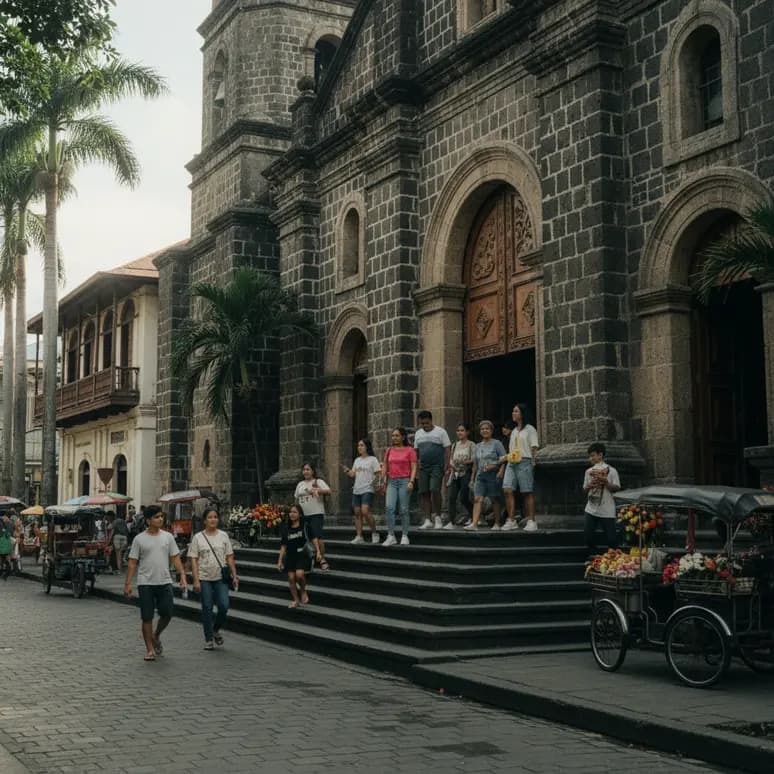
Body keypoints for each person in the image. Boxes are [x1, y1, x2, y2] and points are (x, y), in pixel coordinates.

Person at [124, 505, 188, 662]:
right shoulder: (139, 539)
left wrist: (182, 575)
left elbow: (175, 557)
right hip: (145, 583)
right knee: (147, 617)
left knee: (167, 613)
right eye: (156, 517)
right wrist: (128, 584)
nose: (160, 519)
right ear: (148, 520)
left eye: (161, 516)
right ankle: (149, 649)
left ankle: (156, 635)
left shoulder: (168, 537)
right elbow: (132, 562)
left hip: (164, 581)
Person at [189, 508, 239, 650]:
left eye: (215, 517)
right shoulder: (198, 537)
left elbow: (229, 557)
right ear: (205, 521)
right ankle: (209, 639)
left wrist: (234, 575)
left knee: (224, 606)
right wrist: (196, 580)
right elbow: (193, 559)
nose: (213, 519)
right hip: (204, 577)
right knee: (207, 607)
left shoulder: (223, 536)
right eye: (210, 517)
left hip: (220, 577)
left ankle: (215, 629)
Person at [500, 403, 540, 531]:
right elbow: (512, 450)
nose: (513, 413)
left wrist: (532, 463)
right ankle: (511, 520)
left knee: (526, 491)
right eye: (513, 411)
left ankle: (532, 521)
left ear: (522, 414)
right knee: (507, 489)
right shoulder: (513, 432)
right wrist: (505, 458)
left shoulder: (530, 429)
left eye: (516, 411)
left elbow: (534, 447)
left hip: (525, 461)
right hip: (512, 462)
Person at [414, 410, 452, 530]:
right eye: (422, 423)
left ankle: (438, 518)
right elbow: (416, 452)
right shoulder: (418, 434)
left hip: (437, 466)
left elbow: (447, 449)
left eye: (426, 423)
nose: (424, 426)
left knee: (435, 489)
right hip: (423, 467)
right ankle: (427, 520)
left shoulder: (441, 432)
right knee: (424, 492)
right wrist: (416, 468)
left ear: (431, 421)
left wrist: (447, 465)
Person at [465, 420, 506, 530]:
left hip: (493, 475)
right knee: (477, 498)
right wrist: (472, 478)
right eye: (482, 429)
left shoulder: (497, 443)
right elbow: (475, 463)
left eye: (487, 429)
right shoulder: (478, 446)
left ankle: (497, 523)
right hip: (480, 476)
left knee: (494, 499)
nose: (485, 431)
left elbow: (504, 459)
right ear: (480, 431)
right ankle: (474, 524)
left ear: (491, 431)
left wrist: (500, 470)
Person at [583, 442, 621, 556]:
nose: (591, 458)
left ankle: (613, 559)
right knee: (588, 536)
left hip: (607, 509)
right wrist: (589, 486)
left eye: (593, 455)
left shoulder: (612, 471)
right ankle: (594, 558)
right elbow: (584, 490)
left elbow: (617, 488)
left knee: (611, 539)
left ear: (600, 455)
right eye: (590, 456)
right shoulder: (588, 471)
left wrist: (606, 483)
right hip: (591, 508)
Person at [382, 427, 418, 546]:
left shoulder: (410, 450)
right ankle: (391, 535)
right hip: (391, 481)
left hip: (405, 481)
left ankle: (404, 535)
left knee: (403, 509)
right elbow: (385, 466)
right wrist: (383, 481)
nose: (394, 438)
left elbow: (414, 467)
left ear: (403, 437)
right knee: (389, 508)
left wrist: (411, 481)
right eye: (393, 436)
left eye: (397, 436)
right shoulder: (389, 450)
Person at [343, 439, 381, 545]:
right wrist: (347, 471)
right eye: (358, 445)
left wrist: (373, 484)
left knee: (365, 511)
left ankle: (374, 533)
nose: (359, 447)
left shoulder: (373, 459)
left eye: (362, 445)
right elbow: (353, 474)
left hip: (367, 489)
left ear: (367, 447)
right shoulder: (357, 460)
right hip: (357, 489)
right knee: (357, 513)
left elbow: (378, 474)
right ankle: (359, 536)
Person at [294, 463, 331, 571]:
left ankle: (322, 559)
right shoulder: (300, 484)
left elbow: (328, 491)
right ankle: (309, 559)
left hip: (316, 513)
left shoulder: (318, 481)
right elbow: (296, 499)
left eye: (308, 469)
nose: (305, 471)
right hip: (303, 515)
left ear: (313, 471)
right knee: (306, 538)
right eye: (304, 469)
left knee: (317, 537)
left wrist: (317, 490)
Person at [277, 504, 312, 608]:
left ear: (300, 514)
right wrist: (279, 561)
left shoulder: (305, 526)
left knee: (299, 575)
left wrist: (318, 552)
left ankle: (303, 590)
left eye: (294, 512)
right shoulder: (286, 528)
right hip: (290, 556)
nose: (292, 514)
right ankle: (296, 600)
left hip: (302, 555)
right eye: (290, 512)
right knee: (291, 578)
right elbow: (283, 546)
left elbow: (314, 539)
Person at [445, 423, 475, 529]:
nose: (460, 433)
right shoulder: (454, 445)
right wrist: (453, 466)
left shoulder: (471, 444)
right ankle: (451, 521)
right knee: (451, 497)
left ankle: (473, 515)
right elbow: (451, 459)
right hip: (455, 473)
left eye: (462, 430)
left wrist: (464, 462)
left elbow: (474, 459)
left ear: (467, 432)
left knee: (464, 497)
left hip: (466, 472)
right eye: (458, 430)